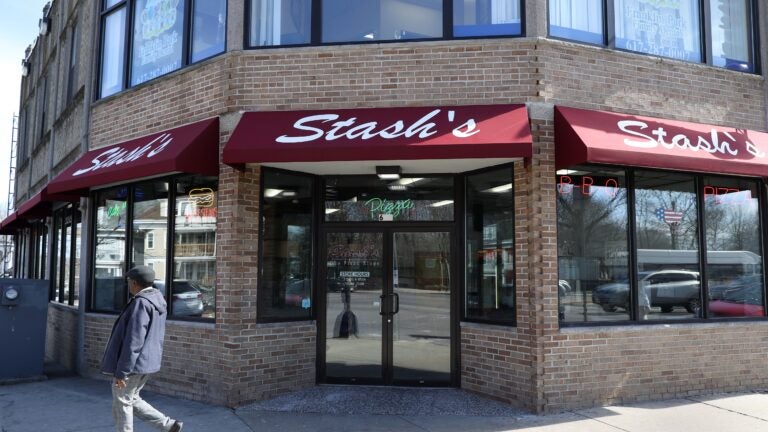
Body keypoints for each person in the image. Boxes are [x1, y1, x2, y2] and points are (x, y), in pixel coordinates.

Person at [100, 265, 183, 432]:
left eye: (129, 282)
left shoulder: (141, 303)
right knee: (131, 398)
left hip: (133, 364)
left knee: (123, 401)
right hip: (146, 362)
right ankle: (168, 426)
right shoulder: (157, 299)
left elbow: (134, 341)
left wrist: (122, 371)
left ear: (136, 283)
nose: (128, 285)